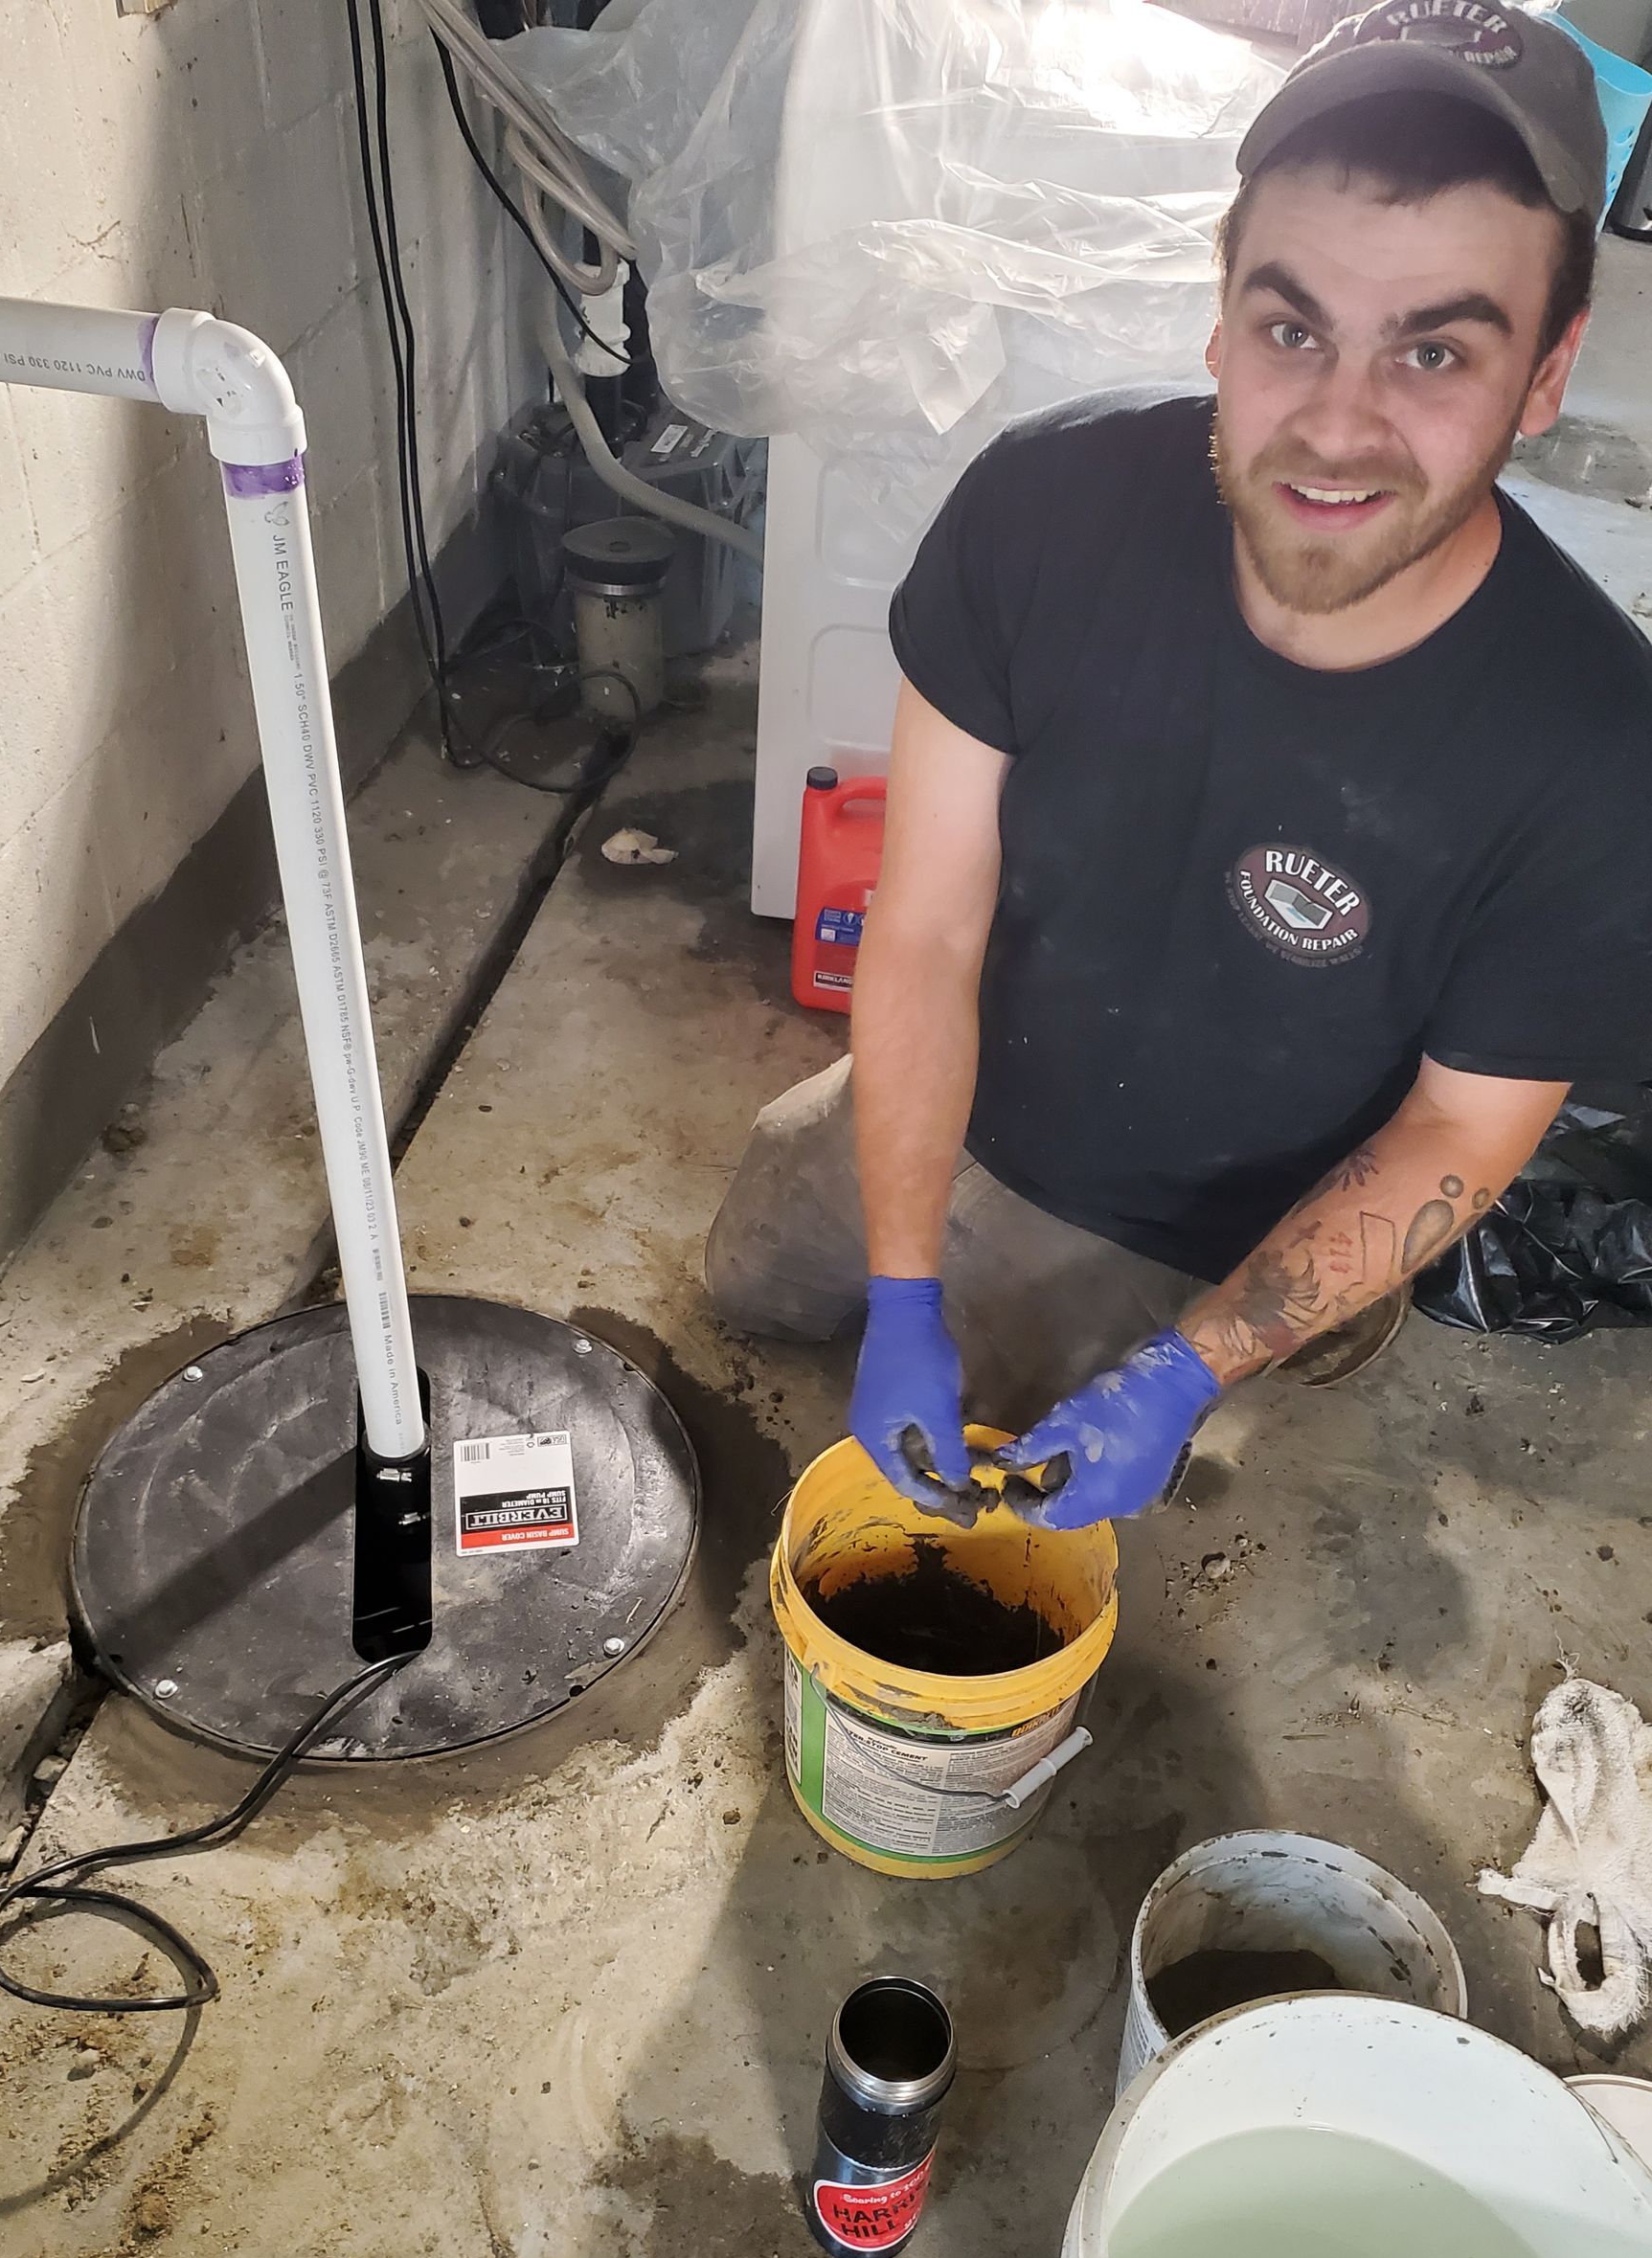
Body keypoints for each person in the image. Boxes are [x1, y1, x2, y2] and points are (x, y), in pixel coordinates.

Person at [707, 1, 1652, 1530]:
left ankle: (1278, 1352)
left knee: (1009, 1528)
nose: (1337, 428)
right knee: (749, 1281)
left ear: (1545, 375)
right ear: (1218, 314)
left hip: (1216, 1227)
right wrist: (899, 1288)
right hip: (986, 1098)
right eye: (1293, 330)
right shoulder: (1041, 506)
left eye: (1435, 350)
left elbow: (1464, 1131)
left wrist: (1188, 1365)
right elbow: (930, 921)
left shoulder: (1598, 747)